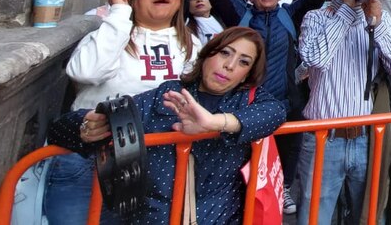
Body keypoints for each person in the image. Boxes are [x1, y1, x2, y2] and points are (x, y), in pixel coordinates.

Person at [48, 27, 285, 224]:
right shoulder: (168, 94)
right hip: (153, 217)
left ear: (246, 75)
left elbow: (274, 113)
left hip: (217, 216)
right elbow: (63, 128)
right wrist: (87, 126)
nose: (230, 65)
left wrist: (214, 123)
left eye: (243, 62)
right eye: (224, 53)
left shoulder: (249, 101)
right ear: (206, 55)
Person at [47, 0, 200, 224]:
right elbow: (86, 72)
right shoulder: (110, 32)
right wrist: (119, 15)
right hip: (93, 160)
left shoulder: (192, 44)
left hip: (160, 163)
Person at [195, 0, 327, 215]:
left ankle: (285, 189)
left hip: (285, 100)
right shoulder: (238, 15)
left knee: (288, 146)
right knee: (245, 154)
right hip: (246, 103)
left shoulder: (289, 14)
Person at [296, 0, 391, 225]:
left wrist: (379, 23)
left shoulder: (373, 22)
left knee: (367, 214)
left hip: (363, 139)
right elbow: (315, 59)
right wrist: (347, 8)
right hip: (323, 138)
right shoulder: (315, 18)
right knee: (315, 215)